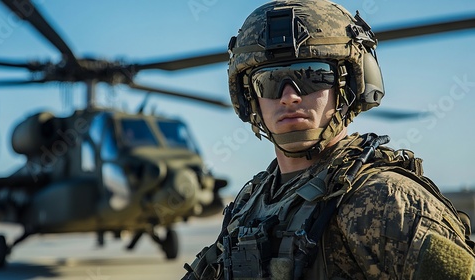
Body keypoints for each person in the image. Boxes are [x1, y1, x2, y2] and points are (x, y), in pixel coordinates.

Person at [182, 0, 475, 279]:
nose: (289, 96)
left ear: (349, 85)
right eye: (269, 82)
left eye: (313, 76)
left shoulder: (387, 201)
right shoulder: (252, 203)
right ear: (249, 97)